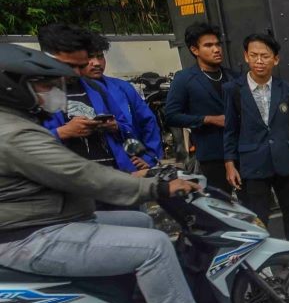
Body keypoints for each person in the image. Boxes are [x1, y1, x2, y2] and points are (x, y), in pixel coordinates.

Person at [0, 43, 216, 303]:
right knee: (154, 245)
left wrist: (138, 170)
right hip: (33, 234)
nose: (55, 90)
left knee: (141, 222)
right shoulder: (15, 134)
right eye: (44, 85)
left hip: (48, 219)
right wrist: (156, 186)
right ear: (13, 88)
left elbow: (135, 127)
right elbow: (80, 173)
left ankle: (136, 301)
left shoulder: (19, 123)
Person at [222, 33, 289, 272]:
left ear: (276, 59)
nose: (259, 61)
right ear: (245, 57)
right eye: (254, 55)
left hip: (285, 158)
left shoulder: (285, 87)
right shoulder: (234, 89)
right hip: (253, 161)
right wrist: (230, 163)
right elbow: (231, 129)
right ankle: (262, 262)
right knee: (258, 216)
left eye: (265, 56)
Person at [36, 24, 138, 173]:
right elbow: (18, 147)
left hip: (112, 179)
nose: (77, 72)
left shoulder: (96, 88)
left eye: (81, 65)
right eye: (70, 66)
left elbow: (128, 128)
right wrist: (63, 132)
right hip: (68, 182)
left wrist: (115, 126)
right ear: (48, 58)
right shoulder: (30, 96)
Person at [164, 22, 235, 193]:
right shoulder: (184, 79)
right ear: (195, 50)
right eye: (208, 45)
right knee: (220, 205)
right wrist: (208, 119)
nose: (216, 49)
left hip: (241, 151)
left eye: (218, 44)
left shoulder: (233, 76)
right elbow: (171, 116)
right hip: (211, 154)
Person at [84, 33, 163, 170]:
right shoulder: (69, 92)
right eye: (90, 57)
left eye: (100, 56)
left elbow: (148, 123)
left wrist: (150, 158)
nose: (96, 63)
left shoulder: (123, 87)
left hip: (130, 168)